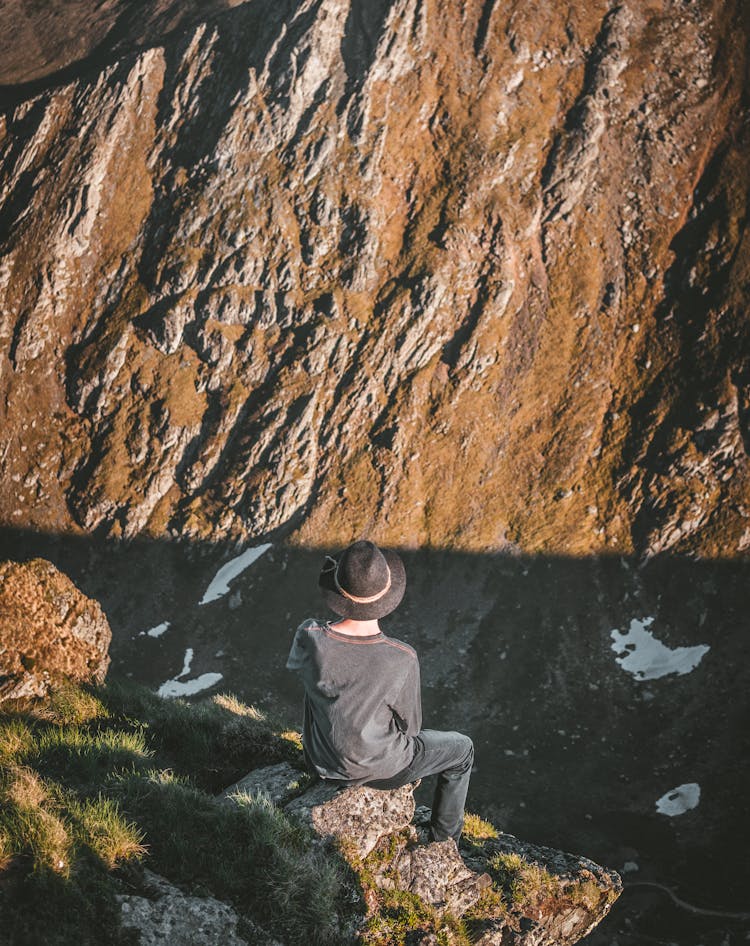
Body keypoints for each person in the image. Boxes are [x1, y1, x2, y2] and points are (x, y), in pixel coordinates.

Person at [285, 539, 474, 845]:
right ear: (385, 594)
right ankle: (444, 840)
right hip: (384, 772)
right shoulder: (401, 657)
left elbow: (300, 670)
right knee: (463, 750)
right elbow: (410, 729)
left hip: (321, 761)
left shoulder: (309, 635)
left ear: (338, 590)